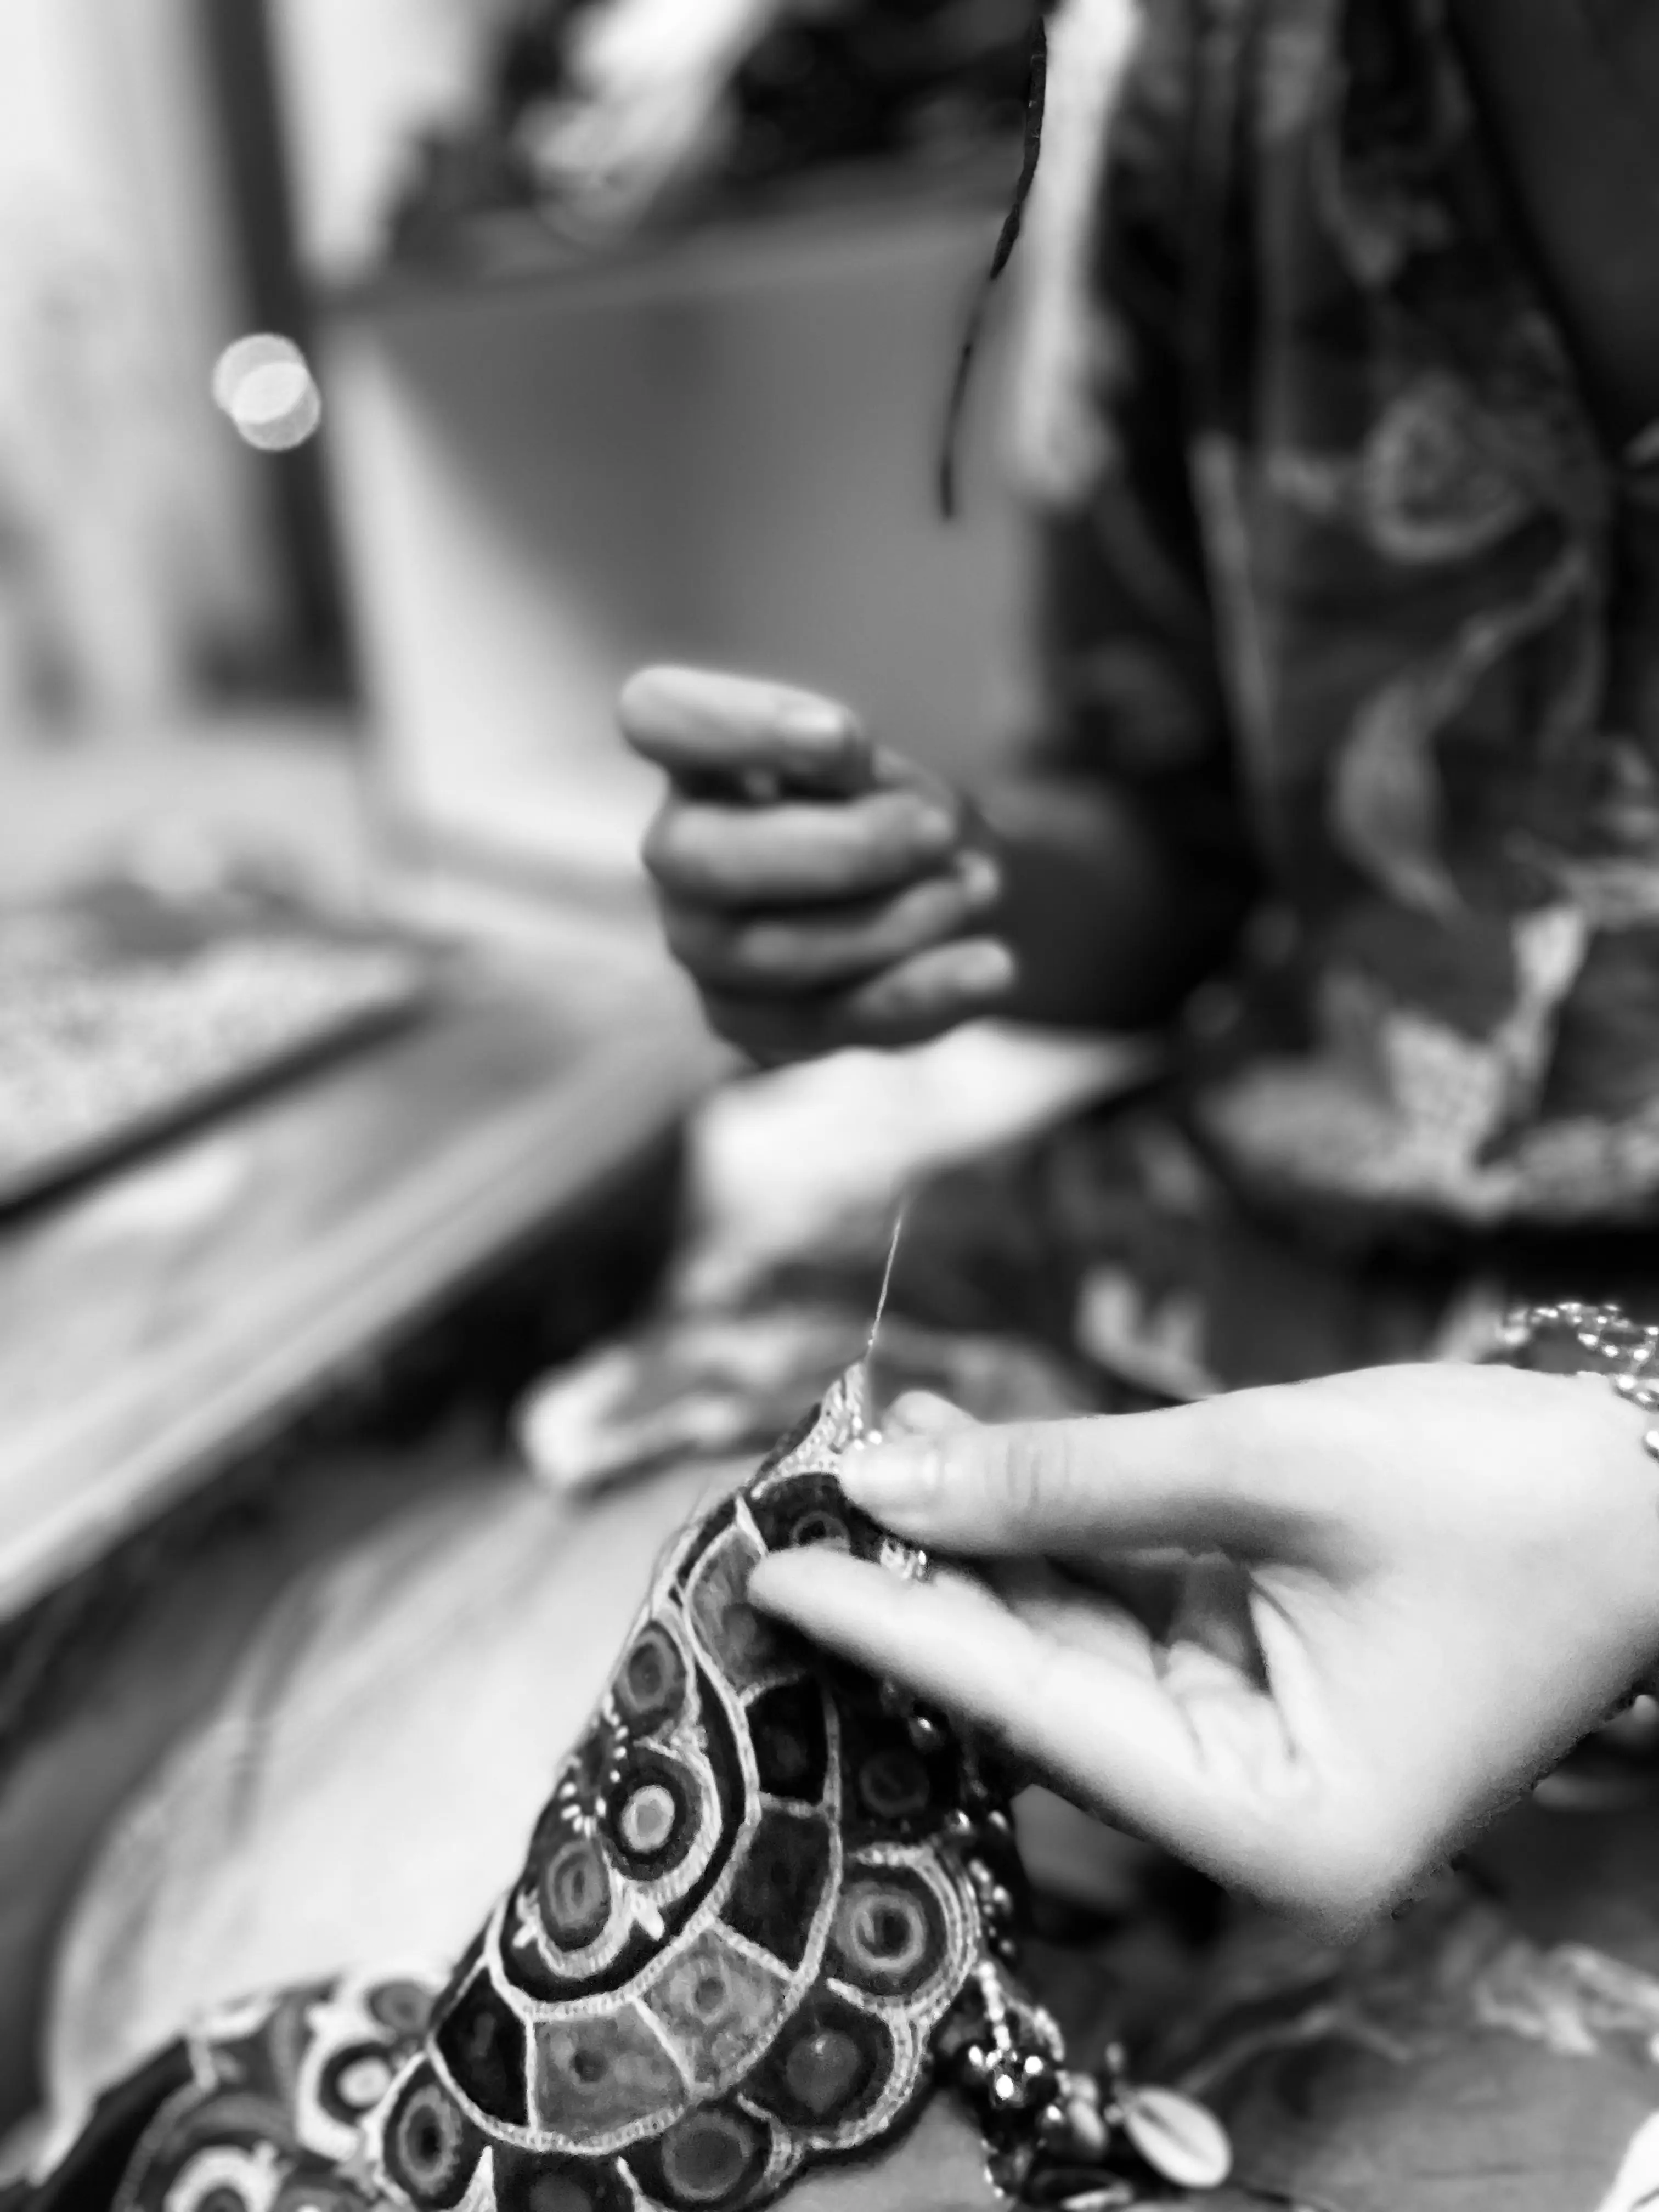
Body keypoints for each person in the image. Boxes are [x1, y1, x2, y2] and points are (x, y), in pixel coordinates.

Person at [620, 0, 1659, 2196]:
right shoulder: (1225, 60)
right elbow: (1165, 829)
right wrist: (934, 893)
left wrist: (1633, 1473)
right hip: (1216, 1274)